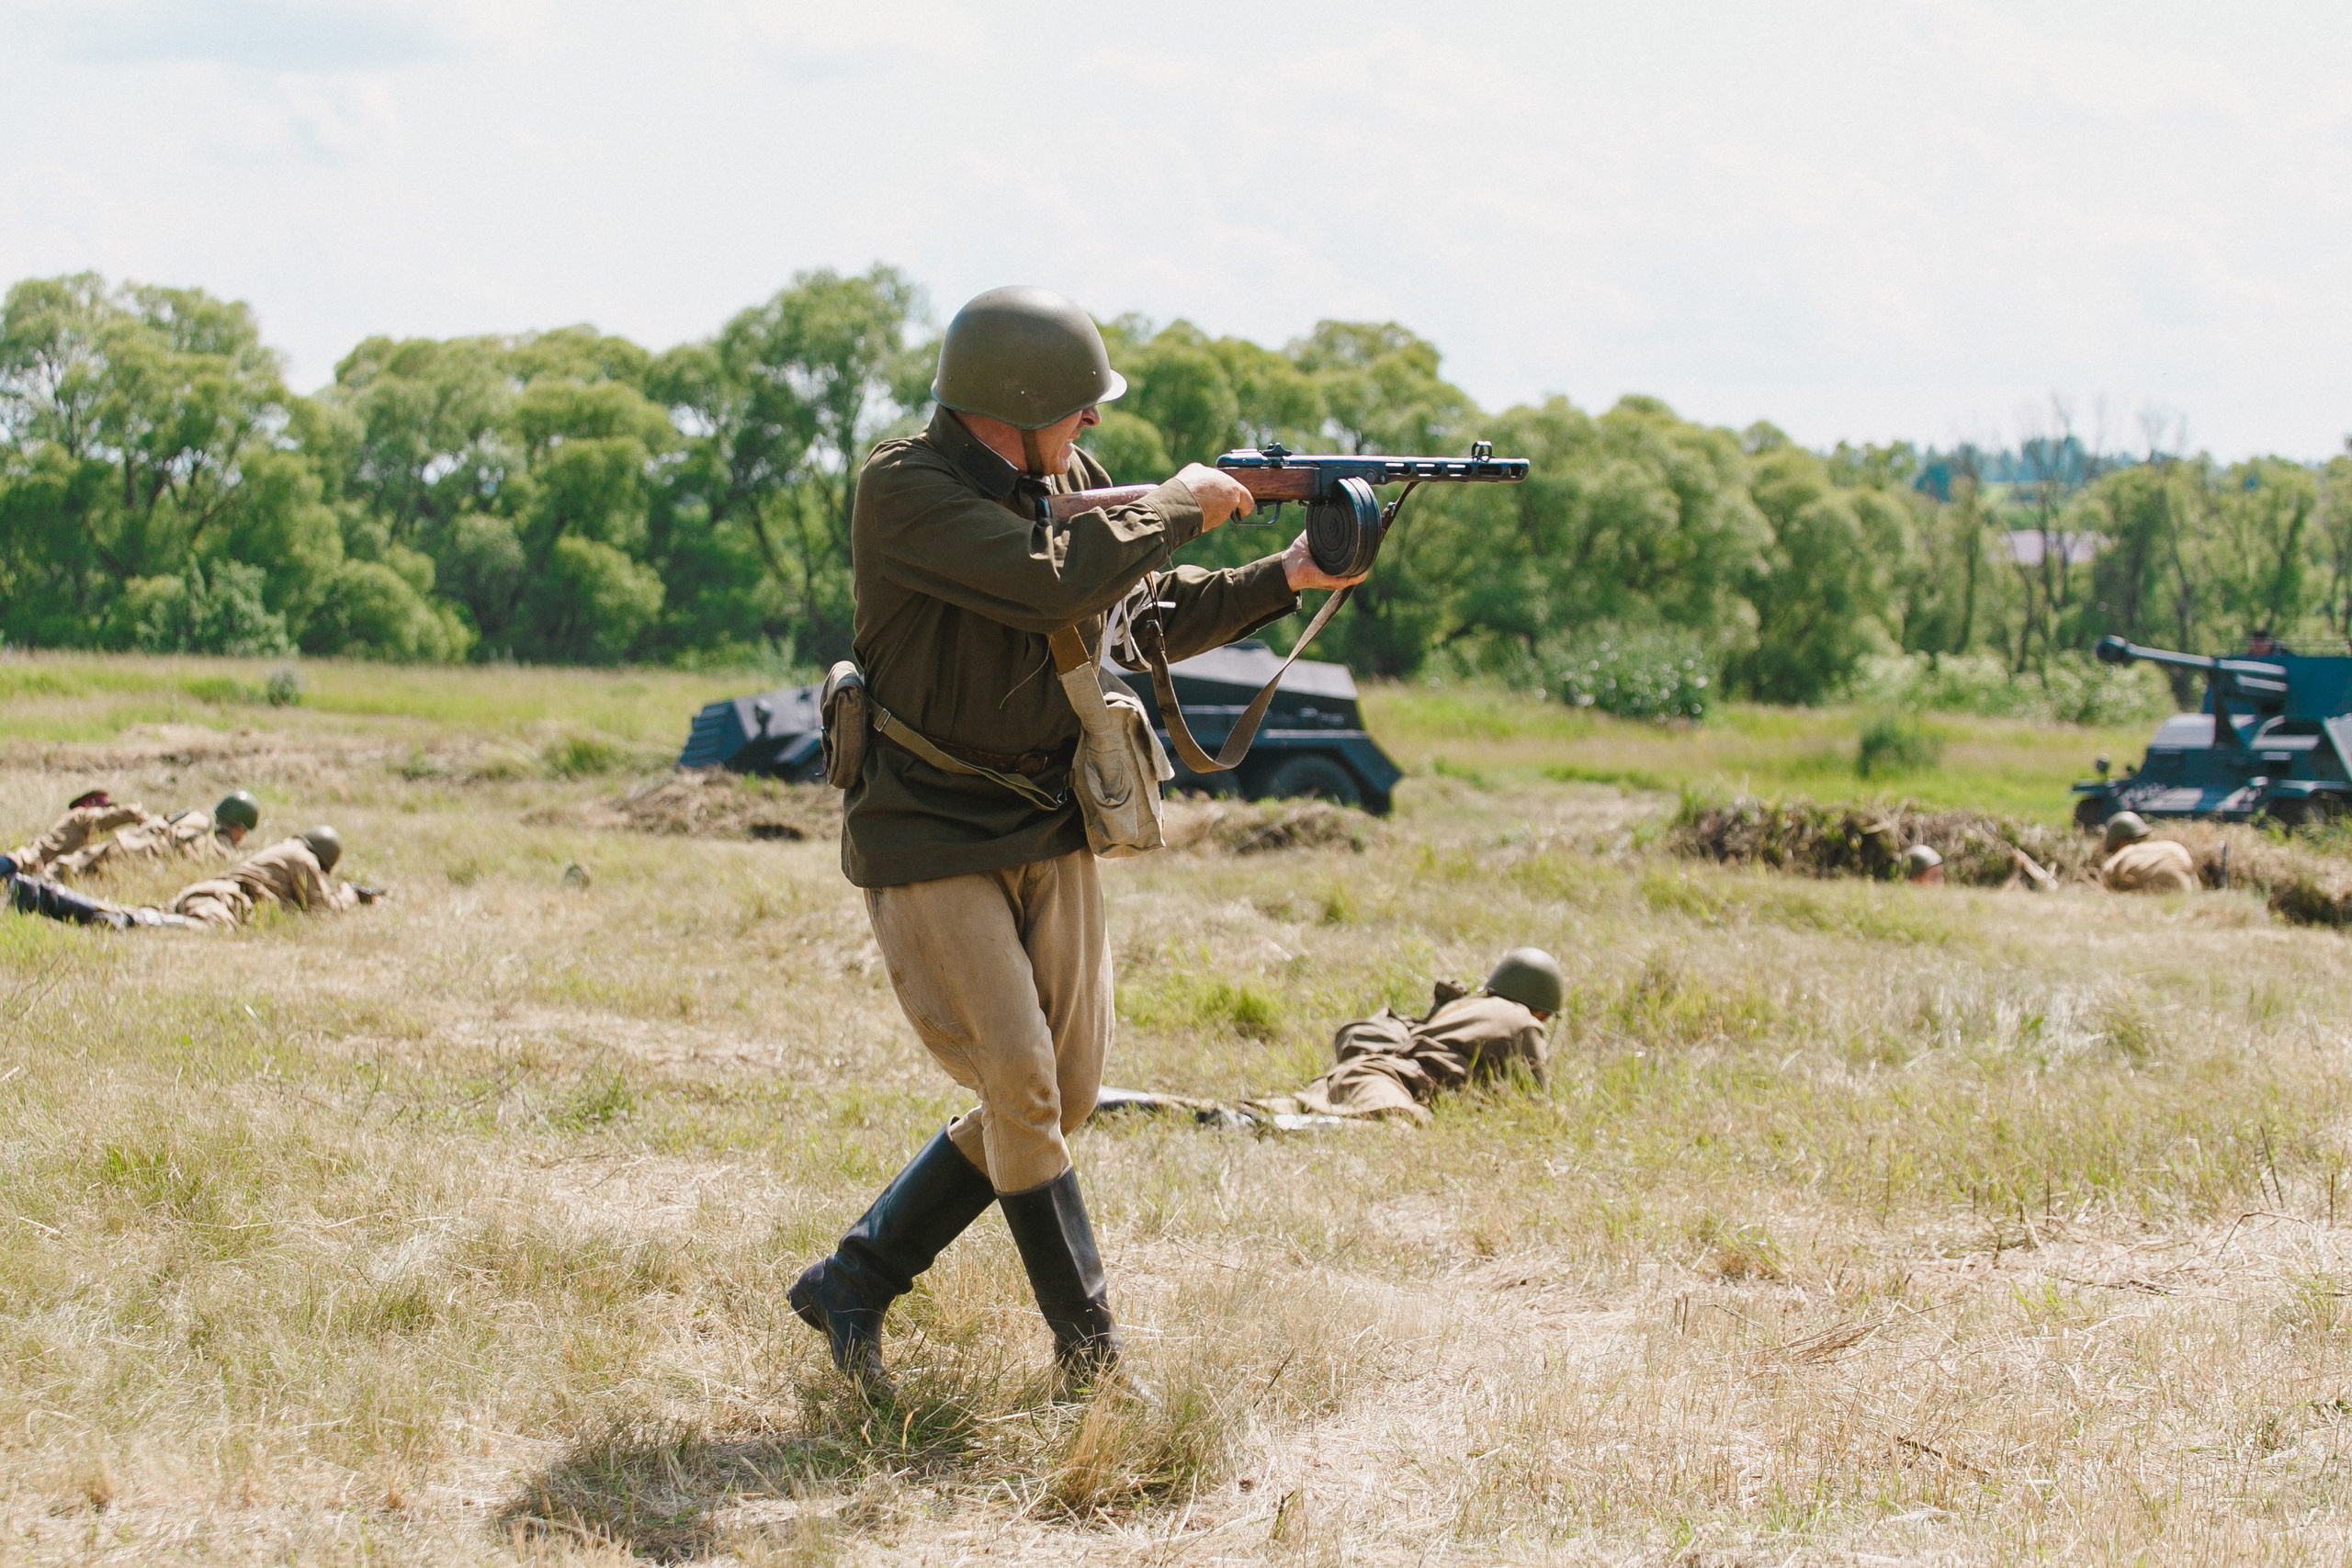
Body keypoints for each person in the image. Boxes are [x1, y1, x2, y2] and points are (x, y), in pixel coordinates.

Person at [786, 286, 1365, 1398]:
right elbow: (1035, 578)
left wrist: (1287, 576)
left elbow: (1135, 616)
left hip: (1049, 814)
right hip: (929, 826)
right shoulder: (902, 486)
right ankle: (1091, 1364)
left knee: (1066, 1089)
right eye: (1080, 407)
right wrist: (1182, 505)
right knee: (1020, 1081)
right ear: (1016, 405)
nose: (1093, 428)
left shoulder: (1079, 490)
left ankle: (854, 1277)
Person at [1247, 950, 1560, 1128]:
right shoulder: (1522, 1022)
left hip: (1355, 1074)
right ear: (1543, 1013)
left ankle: (1228, 1117)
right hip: (1389, 1083)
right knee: (1398, 1129)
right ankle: (1265, 1127)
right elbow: (1533, 1109)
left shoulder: (1461, 1009)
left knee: (1281, 1108)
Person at [159, 826, 379, 928]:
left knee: (150, 914)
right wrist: (349, 896)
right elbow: (321, 910)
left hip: (212, 891)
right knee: (211, 928)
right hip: (225, 900)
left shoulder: (288, 849)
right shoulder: (304, 859)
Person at [48, 790, 261, 879]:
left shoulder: (196, 819)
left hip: (134, 841)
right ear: (240, 830)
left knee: (81, 863)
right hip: (146, 856)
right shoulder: (225, 854)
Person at [2098, 811, 2197, 893]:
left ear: (2120, 843)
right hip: (2188, 891)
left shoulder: (2123, 854)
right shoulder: (2173, 846)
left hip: (2159, 896)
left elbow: (2103, 887)